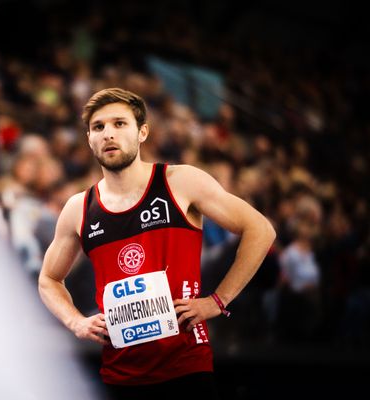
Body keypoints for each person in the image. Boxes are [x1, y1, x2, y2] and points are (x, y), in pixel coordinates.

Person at [38, 88, 276, 399]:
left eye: (120, 124)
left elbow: (260, 229)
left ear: (142, 132)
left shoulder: (180, 182)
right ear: (89, 139)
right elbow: (48, 279)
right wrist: (76, 322)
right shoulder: (78, 209)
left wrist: (218, 300)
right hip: (119, 376)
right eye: (99, 127)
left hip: (186, 369)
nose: (108, 134)